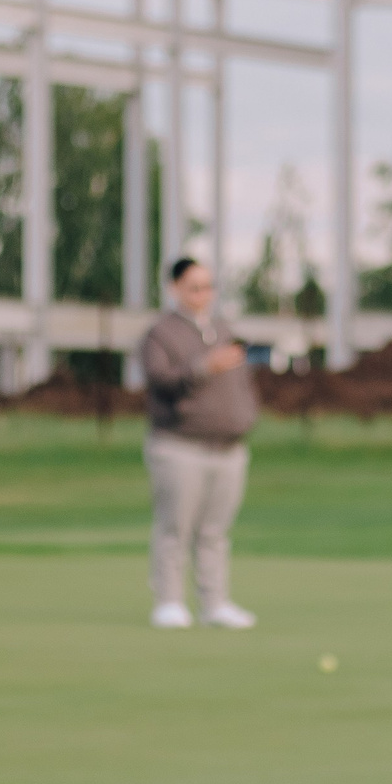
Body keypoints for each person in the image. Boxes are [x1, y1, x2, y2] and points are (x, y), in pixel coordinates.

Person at [140, 256, 258, 629]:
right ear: (175, 289)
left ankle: (215, 603)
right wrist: (203, 367)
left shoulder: (223, 328)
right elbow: (161, 380)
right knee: (175, 526)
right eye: (195, 287)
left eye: (208, 286)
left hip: (228, 448)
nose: (203, 294)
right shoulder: (160, 334)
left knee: (215, 531)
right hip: (180, 444)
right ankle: (170, 601)